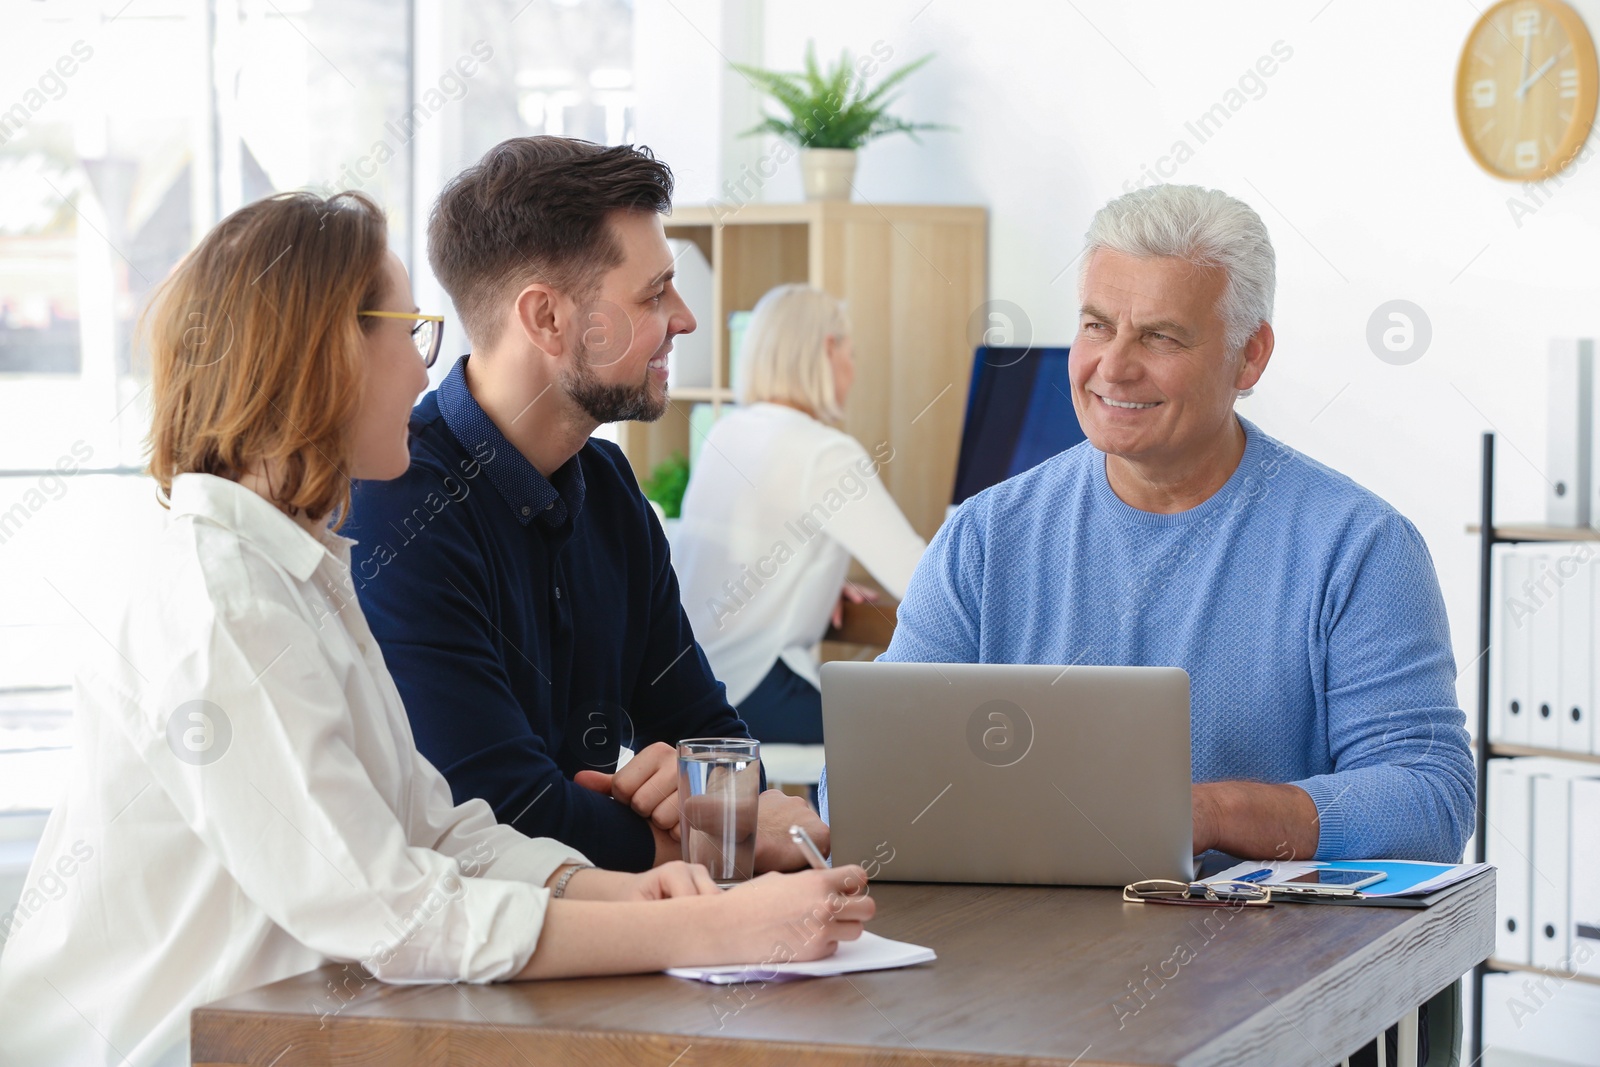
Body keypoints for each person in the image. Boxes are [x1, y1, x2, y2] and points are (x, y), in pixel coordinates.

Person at [0, 191, 872, 1067]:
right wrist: (703, 929)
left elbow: (443, 830)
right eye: (407, 332)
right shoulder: (220, 597)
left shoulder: (301, 572)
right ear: (321, 352)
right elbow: (395, 910)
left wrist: (638, 896)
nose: (426, 371)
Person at [824, 184, 1474, 864]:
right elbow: (859, 791)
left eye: (1159, 336)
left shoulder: (1360, 547)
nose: (1114, 365)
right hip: (1028, 945)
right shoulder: (985, 538)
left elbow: (1429, 799)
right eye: (1096, 325)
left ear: (1250, 356)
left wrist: (1208, 812)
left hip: (1259, 957)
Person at [342, 136, 825, 873]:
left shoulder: (606, 485)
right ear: (547, 319)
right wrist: (711, 832)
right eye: (653, 293)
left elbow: (721, 739)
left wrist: (704, 784)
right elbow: (502, 813)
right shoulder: (397, 504)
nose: (685, 318)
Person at [673, 284, 926, 743]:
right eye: (851, 353)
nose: (853, 369)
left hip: (692, 684)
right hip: (750, 689)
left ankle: (817, 814)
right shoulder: (825, 453)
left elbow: (747, 553)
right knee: (912, 730)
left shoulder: (727, 433)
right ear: (829, 351)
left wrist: (822, 580)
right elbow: (924, 581)